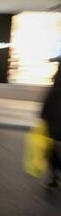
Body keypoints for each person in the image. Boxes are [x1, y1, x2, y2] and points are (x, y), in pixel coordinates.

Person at [41, 59, 61, 188]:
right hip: (56, 119)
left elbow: (50, 99)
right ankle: (55, 177)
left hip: (55, 120)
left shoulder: (57, 84)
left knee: (54, 149)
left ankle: (55, 177)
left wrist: (43, 116)